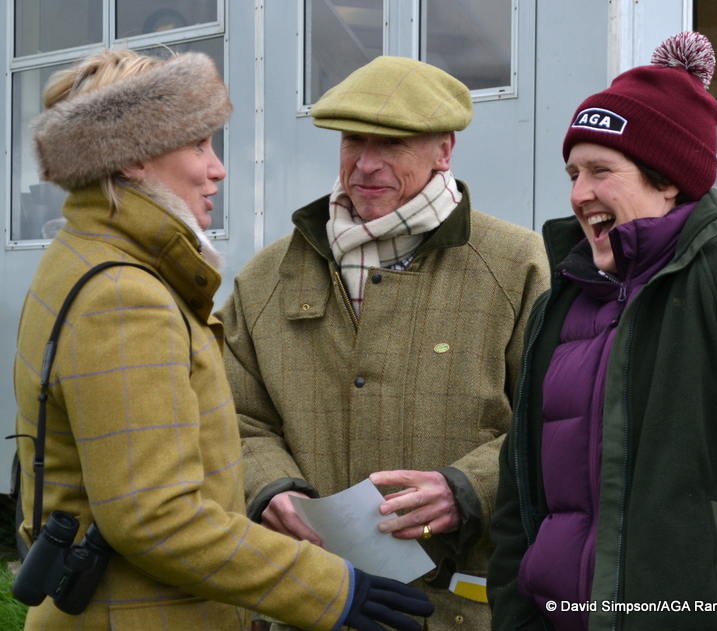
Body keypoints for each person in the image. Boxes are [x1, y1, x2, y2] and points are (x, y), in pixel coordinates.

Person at [13, 48, 432, 631]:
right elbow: (155, 516)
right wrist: (330, 590)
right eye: (197, 145)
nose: (218, 167)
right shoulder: (123, 295)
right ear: (132, 158)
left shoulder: (82, 257)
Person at [218, 55, 550, 630]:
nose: (365, 165)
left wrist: (467, 489)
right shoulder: (269, 276)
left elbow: (557, 419)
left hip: (457, 611)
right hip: (306, 602)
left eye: (391, 144)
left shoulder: (516, 264)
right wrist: (267, 486)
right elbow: (230, 412)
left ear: (444, 150)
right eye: (352, 142)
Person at [487, 31, 717, 631]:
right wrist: (516, 612)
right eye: (573, 171)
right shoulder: (560, 303)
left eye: (602, 170)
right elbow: (520, 489)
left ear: (668, 180)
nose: (579, 194)